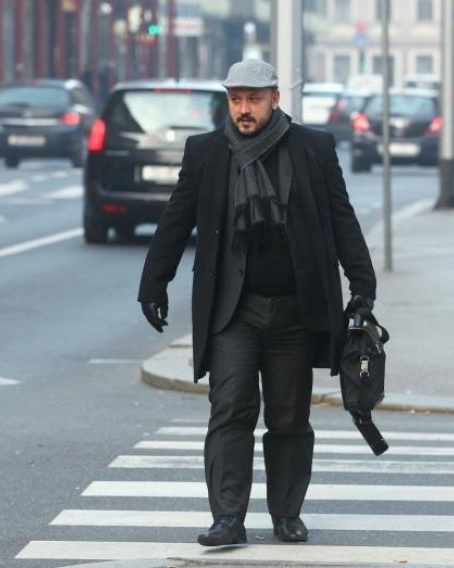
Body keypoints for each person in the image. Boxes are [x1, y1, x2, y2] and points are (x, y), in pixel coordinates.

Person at [137, 60, 377, 546]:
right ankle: (228, 518)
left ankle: (287, 514)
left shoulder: (312, 149)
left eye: (254, 99)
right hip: (232, 311)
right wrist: (154, 281)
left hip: (295, 309)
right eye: (236, 99)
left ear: (274, 99)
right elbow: (177, 218)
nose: (244, 110)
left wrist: (362, 286)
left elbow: (341, 219)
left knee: (289, 417)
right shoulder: (206, 152)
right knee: (230, 409)